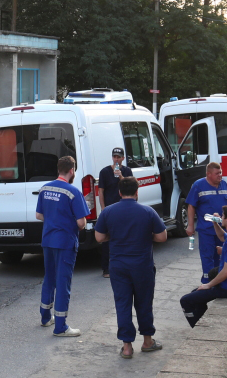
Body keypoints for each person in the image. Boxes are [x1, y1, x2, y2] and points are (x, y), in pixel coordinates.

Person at [94, 176, 167, 359]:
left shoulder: (108, 212)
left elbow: (99, 237)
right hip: (142, 266)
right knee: (144, 303)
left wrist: (113, 236)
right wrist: (146, 236)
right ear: (137, 192)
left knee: (122, 304)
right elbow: (162, 237)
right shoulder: (148, 211)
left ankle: (127, 347)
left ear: (119, 192)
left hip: (118, 266)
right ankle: (147, 341)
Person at [36, 155, 90, 337]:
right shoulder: (73, 192)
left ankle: (45, 317)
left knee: (49, 278)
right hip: (65, 242)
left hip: (48, 240)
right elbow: (81, 223)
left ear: (58, 169)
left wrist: (54, 220)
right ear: (72, 171)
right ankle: (60, 327)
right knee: (63, 282)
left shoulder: (45, 188)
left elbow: (39, 215)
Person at [179, 205, 227, 328]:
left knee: (185, 300)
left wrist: (209, 285)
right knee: (196, 294)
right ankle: (202, 321)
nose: (221, 217)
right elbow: (222, 236)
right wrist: (215, 223)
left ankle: (197, 327)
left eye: (223, 216)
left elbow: (226, 272)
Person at [185, 162, 227, 283]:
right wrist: (190, 225)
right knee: (207, 256)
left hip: (223, 230)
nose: (220, 175)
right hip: (206, 230)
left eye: (220, 172)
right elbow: (191, 206)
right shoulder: (198, 185)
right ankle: (208, 281)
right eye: (217, 173)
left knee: (223, 255)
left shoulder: (224, 185)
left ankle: (220, 280)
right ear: (208, 174)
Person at [96, 147, 133, 278]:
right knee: (107, 238)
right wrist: (103, 208)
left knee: (125, 236)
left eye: (119, 157)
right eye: (114, 157)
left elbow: (130, 187)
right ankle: (106, 268)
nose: (116, 159)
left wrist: (121, 176)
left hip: (124, 208)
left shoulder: (127, 171)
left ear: (123, 158)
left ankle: (125, 266)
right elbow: (101, 191)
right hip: (110, 209)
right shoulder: (105, 172)